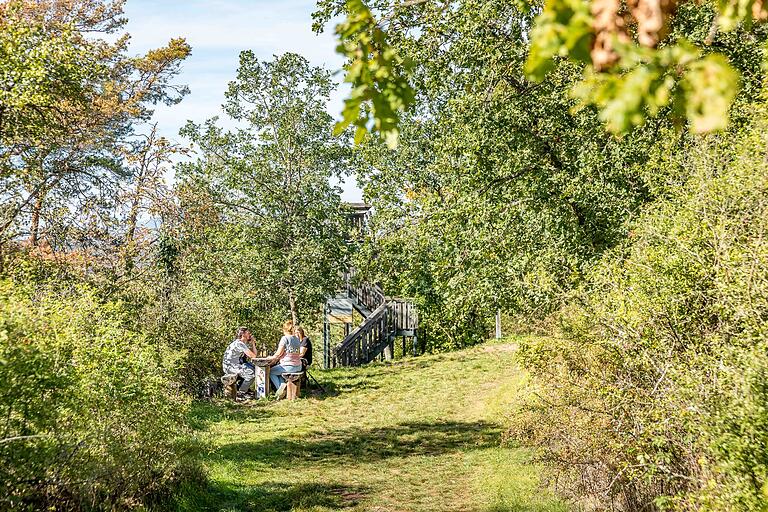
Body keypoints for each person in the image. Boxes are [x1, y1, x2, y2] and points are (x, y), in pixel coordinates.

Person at [267, 320, 303, 399]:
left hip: (288, 366)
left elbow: (279, 353)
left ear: (284, 329)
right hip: (298, 366)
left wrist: (271, 358)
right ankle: (282, 387)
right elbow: (297, 352)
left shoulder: (285, 338)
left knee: (270, 372)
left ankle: (281, 390)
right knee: (279, 373)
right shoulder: (297, 338)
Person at [222, 326, 258, 399]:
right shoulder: (239, 344)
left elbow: (254, 355)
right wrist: (253, 343)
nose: (250, 334)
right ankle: (241, 393)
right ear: (243, 334)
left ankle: (245, 389)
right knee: (251, 374)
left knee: (253, 368)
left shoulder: (242, 343)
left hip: (232, 366)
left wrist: (253, 343)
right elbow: (253, 356)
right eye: (248, 333)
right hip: (230, 367)